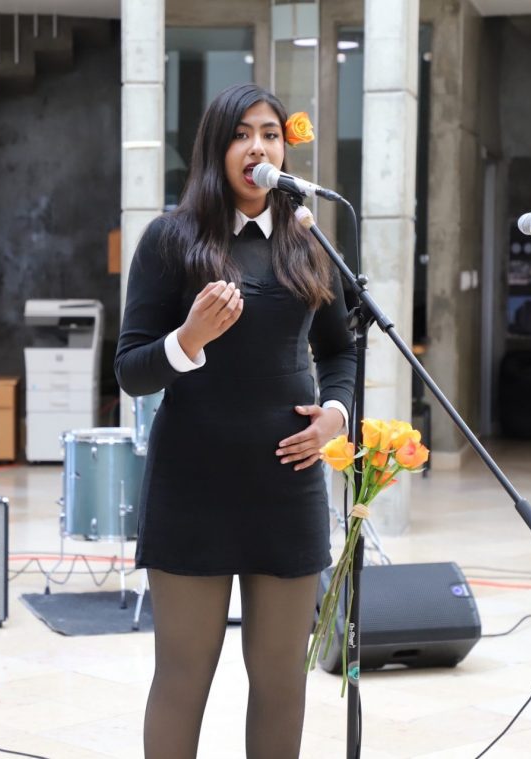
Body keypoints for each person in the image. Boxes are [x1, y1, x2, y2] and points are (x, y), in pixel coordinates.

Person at [115, 83, 356, 759]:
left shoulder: (309, 241)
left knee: (282, 681)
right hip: (193, 484)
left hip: (287, 485)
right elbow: (131, 369)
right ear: (216, 149)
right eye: (242, 134)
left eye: (271, 134)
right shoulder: (170, 240)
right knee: (182, 676)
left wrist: (336, 414)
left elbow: (342, 350)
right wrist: (187, 338)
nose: (258, 147)